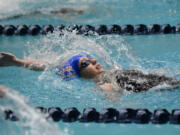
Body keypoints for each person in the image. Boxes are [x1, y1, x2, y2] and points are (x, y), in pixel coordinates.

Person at [1, 52, 180, 95]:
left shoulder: (106, 74)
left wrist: (18, 62)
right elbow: (111, 95)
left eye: (91, 59)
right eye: (86, 63)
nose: (94, 62)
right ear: (78, 73)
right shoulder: (102, 82)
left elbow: (49, 65)